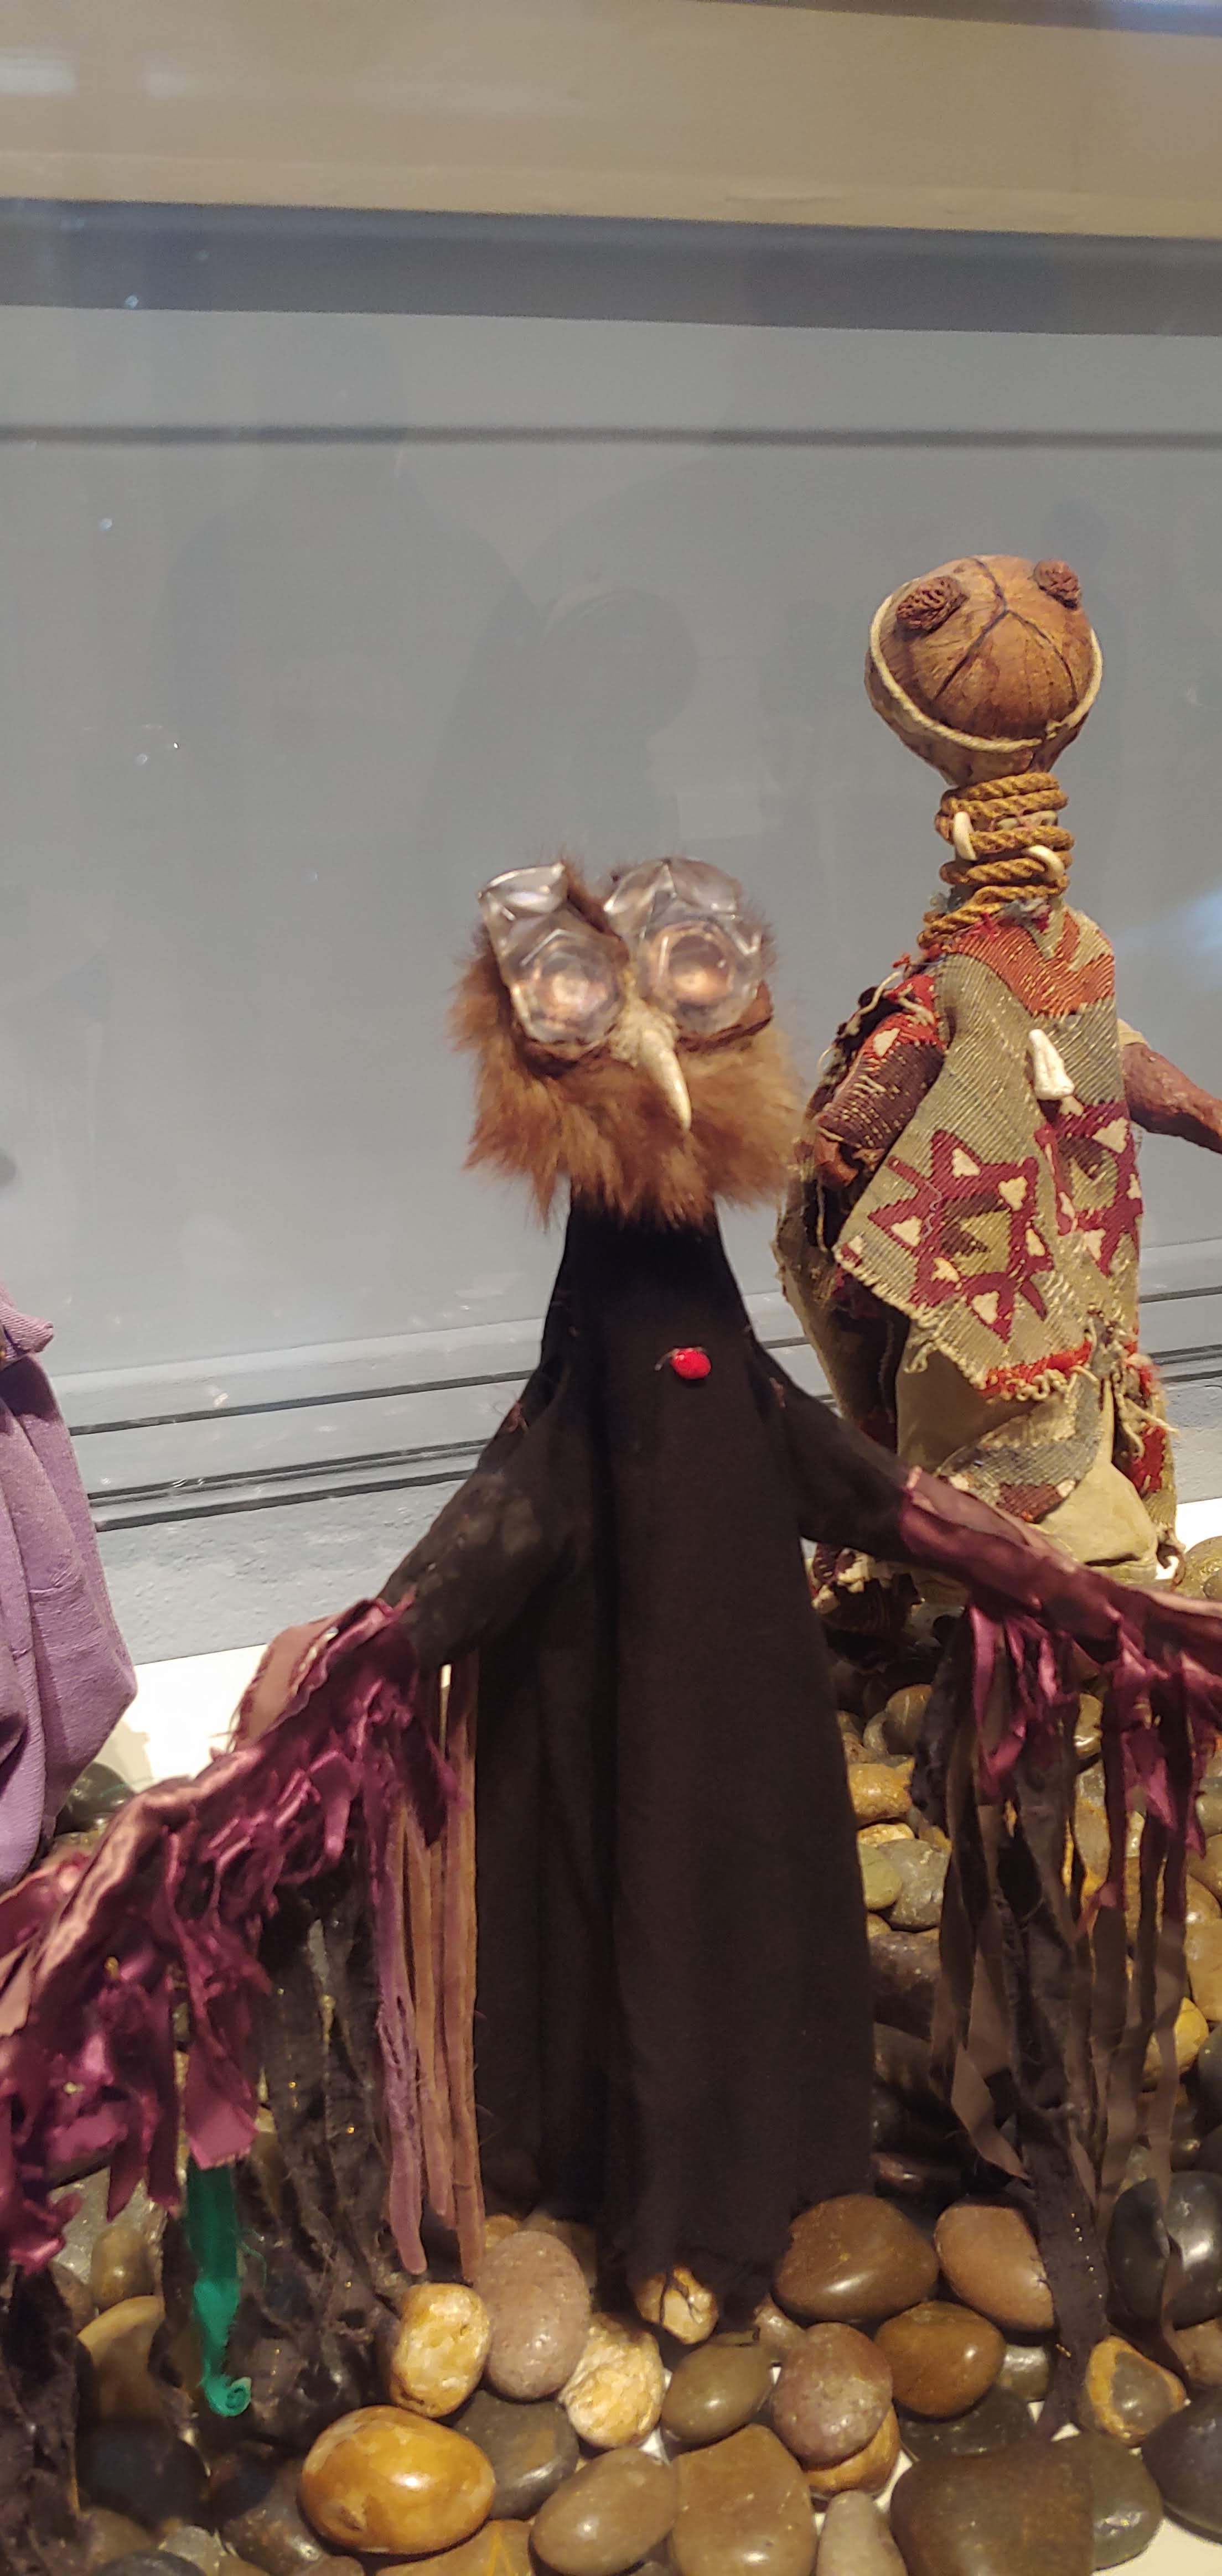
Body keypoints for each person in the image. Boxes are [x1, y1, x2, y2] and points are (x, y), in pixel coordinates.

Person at [777, 553, 1222, 1588]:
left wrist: (838, 1162)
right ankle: (1007, 1594)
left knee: (1036, 1413)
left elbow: (1093, 1049)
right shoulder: (994, 968)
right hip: (997, 1284)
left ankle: (1049, 1592)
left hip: (1039, 1276)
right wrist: (847, 1143)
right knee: (993, 1425)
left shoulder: (1023, 963)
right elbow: (881, 1103)